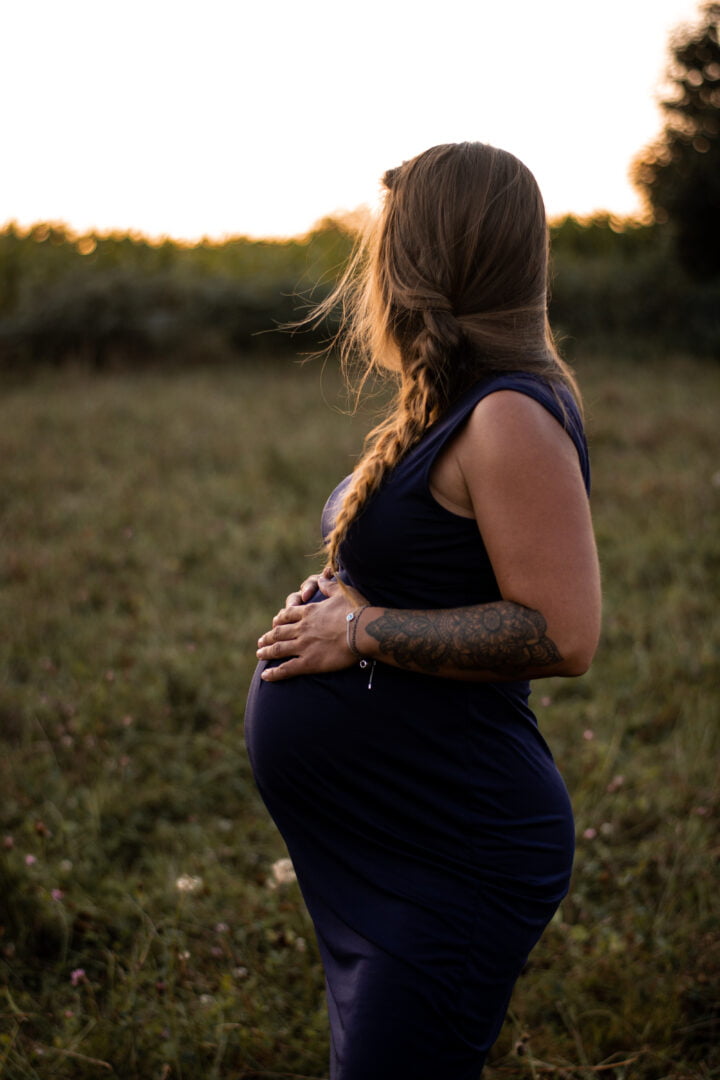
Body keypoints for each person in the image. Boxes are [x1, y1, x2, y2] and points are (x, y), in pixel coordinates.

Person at [245, 141, 601, 1080]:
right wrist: (342, 601)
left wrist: (355, 630)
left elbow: (561, 634)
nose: (373, 268)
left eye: (388, 242)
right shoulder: (452, 398)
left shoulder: (508, 416)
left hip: (456, 844)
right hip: (394, 838)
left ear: (430, 256)